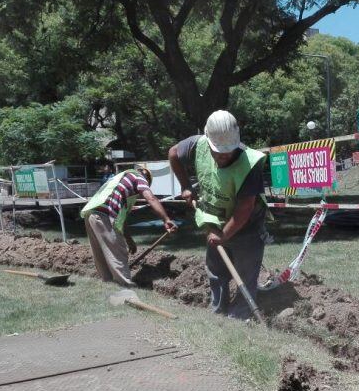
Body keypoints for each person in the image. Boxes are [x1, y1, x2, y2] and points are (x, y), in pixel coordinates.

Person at [169, 110, 267, 319]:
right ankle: (218, 311)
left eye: (228, 152)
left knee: (245, 274)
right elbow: (173, 154)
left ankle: (240, 316)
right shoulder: (197, 144)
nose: (223, 156)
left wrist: (223, 236)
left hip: (247, 225)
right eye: (217, 151)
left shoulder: (250, 163)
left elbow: (244, 210)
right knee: (216, 270)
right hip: (215, 220)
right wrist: (185, 186)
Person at [81, 164, 177, 287]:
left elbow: (123, 218)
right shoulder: (139, 177)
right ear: (146, 179)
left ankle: (109, 284)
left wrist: (129, 240)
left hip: (92, 214)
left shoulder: (120, 180)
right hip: (104, 215)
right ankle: (126, 286)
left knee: (100, 254)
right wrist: (166, 219)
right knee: (118, 251)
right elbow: (151, 198)